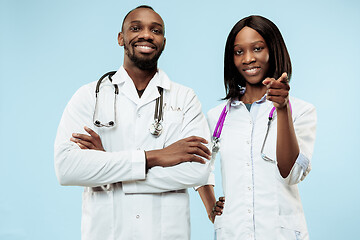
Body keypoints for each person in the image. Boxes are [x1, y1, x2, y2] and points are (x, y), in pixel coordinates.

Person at [54, 5, 213, 240]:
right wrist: (155, 157)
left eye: (155, 30)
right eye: (136, 28)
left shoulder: (185, 98)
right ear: (121, 38)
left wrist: (106, 164)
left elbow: (197, 172)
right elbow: (66, 169)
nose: (146, 35)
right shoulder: (89, 96)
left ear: (163, 42)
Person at [198, 15, 317, 239]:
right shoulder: (218, 116)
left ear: (273, 50)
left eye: (257, 48)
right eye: (239, 51)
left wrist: (282, 109)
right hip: (233, 232)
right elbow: (199, 168)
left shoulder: (301, 111)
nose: (248, 58)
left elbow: (291, 174)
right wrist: (211, 206)